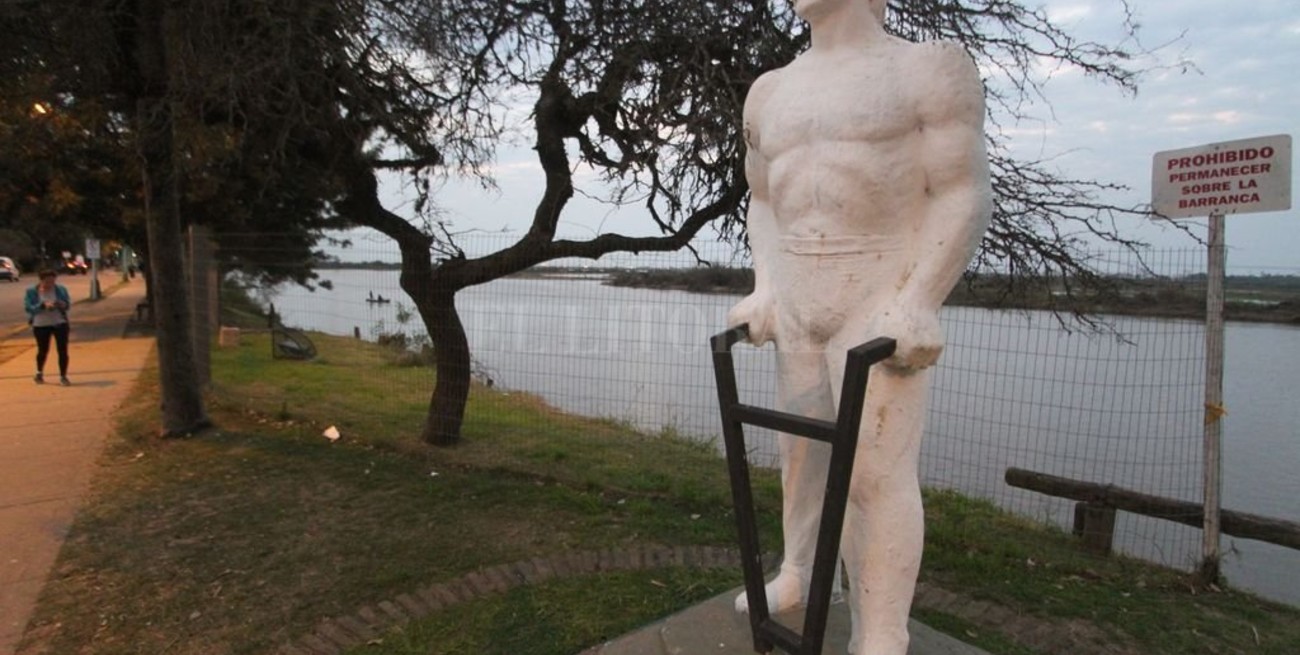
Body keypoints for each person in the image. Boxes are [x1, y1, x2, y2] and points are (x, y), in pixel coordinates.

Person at [726, 1, 992, 653]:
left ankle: (880, 632)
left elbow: (962, 190)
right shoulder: (769, 91)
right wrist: (764, 286)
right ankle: (801, 571)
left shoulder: (927, 69)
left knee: (876, 469)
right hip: (797, 294)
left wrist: (921, 296)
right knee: (800, 451)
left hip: (876, 291)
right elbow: (761, 199)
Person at [24, 269, 73, 386]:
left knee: (62, 350)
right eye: (47, 281)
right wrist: (42, 305)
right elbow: (28, 307)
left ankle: (63, 376)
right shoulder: (32, 291)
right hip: (41, 324)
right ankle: (39, 372)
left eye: (52, 281)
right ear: (41, 280)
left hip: (59, 322)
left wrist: (62, 304)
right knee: (43, 350)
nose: (50, 284)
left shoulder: (60, 290)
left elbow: (67, 304)